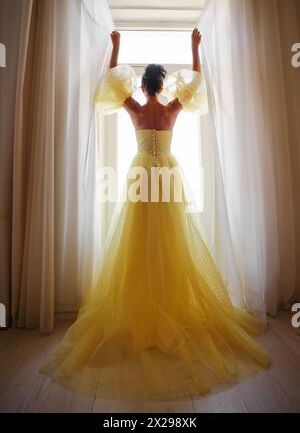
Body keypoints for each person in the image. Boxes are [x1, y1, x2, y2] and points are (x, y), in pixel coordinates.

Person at [41, 29, 270, 401]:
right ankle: (163, 303)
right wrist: (195, 47)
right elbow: (195, 84)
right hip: (166, 174)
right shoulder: (168, 110)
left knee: (138, 243)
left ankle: (143, 306)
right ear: (160, 85)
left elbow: (113, 82)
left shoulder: (135, 109)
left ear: (143, 86)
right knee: (171, 242)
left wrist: (116, 46)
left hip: (140, 177)